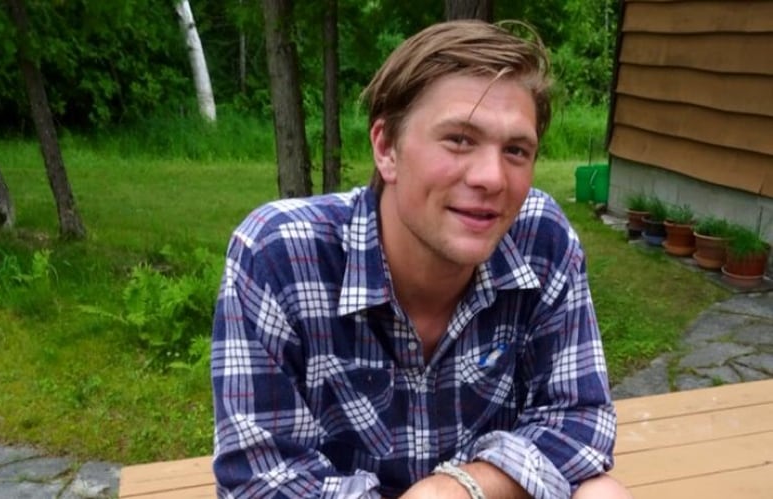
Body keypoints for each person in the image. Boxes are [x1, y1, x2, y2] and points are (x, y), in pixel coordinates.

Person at [212, 19, 630, 499]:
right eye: (459, 139)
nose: (493, 178)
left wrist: (458, 488)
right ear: (386, 147)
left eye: (516, 150)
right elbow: (259, 483)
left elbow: (581, 419)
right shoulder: (278, 255)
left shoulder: (540, 238)